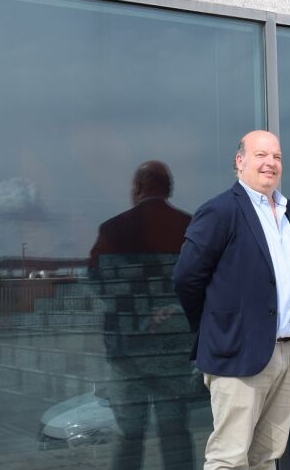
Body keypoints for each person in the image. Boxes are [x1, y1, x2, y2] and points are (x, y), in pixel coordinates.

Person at [173, 130, 290, 469]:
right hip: (239, 351)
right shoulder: (220, 210)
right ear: (240, 162)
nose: (270, 163)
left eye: (277, 156)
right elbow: (186, 278)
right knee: (229, 457)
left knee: (266, 456)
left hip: (286, 354)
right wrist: (218, 326)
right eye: (261, 155)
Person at [89, 160, 195, 470]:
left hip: (126, 351)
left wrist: (136, 312)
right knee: (175, 432)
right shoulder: (188, 228)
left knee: (129, 434)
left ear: (137, 189)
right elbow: (200, 284)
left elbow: (98, 282)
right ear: (168, 189)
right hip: (172, 351)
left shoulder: (112, 229)